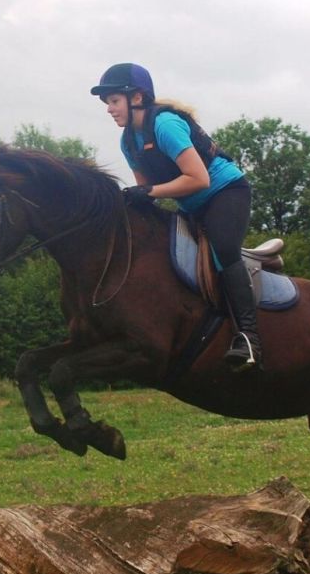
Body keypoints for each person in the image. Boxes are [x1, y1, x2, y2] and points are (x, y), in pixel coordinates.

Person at [91, 62, 262, 370]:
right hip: (192, 205)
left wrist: (148, 192)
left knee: (223, 251)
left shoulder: (166, 124)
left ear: (137, 98)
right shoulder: (128, 141)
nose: (109, 109)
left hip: (225, 192)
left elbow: (198, 180)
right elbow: (148, 192)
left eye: (114, 101)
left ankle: (248, 338)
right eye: (107, 103)